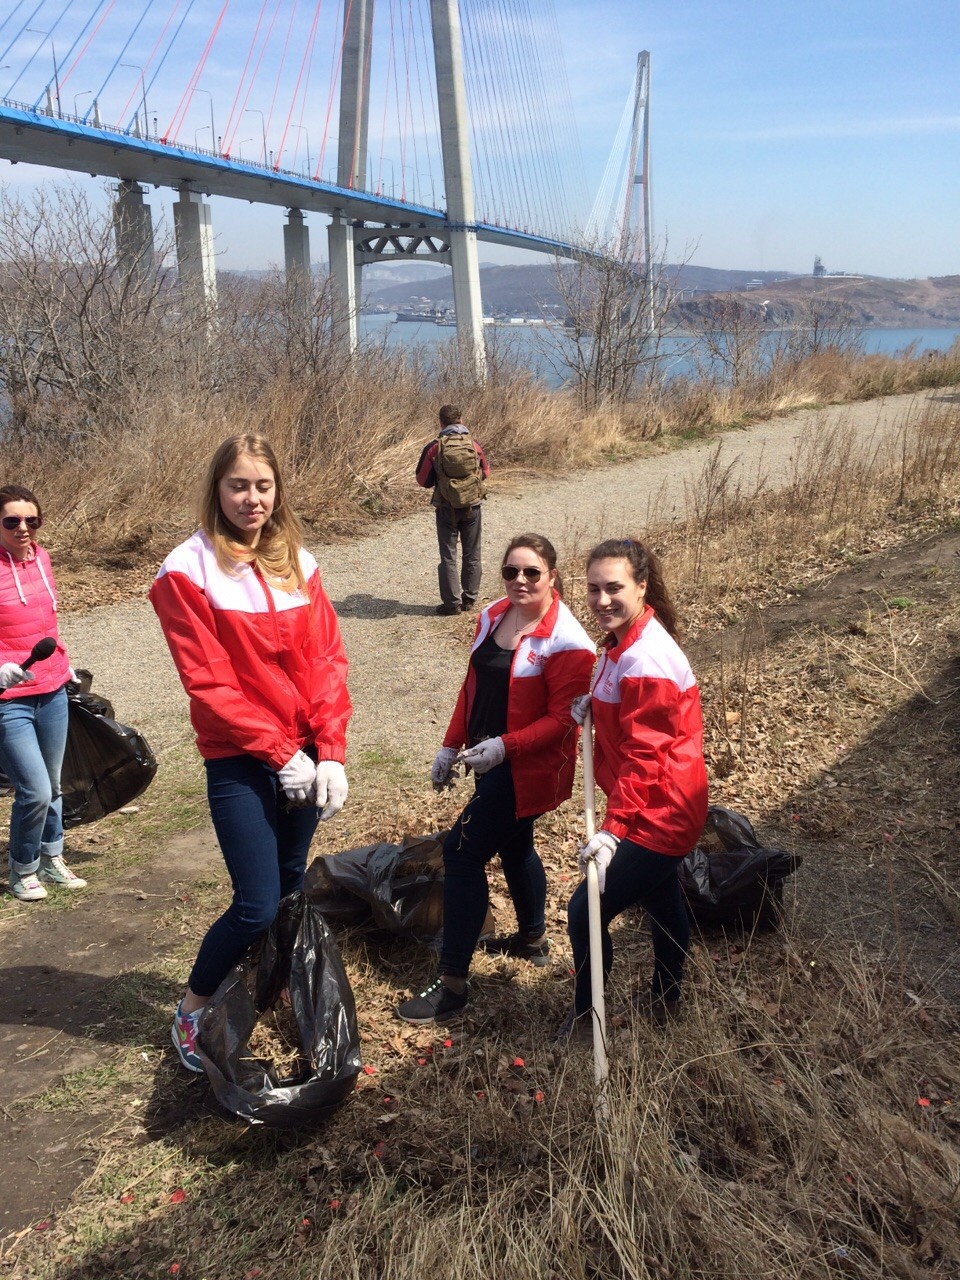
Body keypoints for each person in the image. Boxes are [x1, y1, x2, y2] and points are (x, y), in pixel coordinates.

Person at [149, 434, 352, 1072]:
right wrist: (275, 753)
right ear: (217, 489)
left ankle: (275, 981)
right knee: (257, 899)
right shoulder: (186, 569)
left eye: (264, 486)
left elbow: (326, 661)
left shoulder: (298, 560)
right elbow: (209, 683)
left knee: (292, 883)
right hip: (240, 755)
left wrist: (331, 751)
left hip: (307, 751)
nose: (252, 499)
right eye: (239, 485)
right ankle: (190, 1011)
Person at [396, 533, 595, 1024]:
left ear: (552, 575)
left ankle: (453, 987)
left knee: (462, 854)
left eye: (532, 572)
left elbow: (562, 721)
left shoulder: (568, 641)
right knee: (514, 844)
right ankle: (531, 939)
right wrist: (450, 742)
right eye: (511, 572)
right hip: (487, 757)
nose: (520, 581)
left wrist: (505, 747)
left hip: (528, 767)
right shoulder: (492, 615)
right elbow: (473, 685)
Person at [563, 537, 708, 1036]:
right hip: (656, 798)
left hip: (661, 809)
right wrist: (594, 712)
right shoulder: (622, 638)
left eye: (614, 588)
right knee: (662, 895)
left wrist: (614, 830)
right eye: (593, 589)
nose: (601, 600)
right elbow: (625, 713)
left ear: (642, 586)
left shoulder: (648, 657)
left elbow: (647, 757)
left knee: (585, 910)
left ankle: (589, 1017)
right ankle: (668, 998)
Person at [0, 484, 87, 902]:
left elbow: (47, 624)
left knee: (52, 785)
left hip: (52, 689)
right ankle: (22, 869)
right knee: (33, 788)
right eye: (12, 520)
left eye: (31, 521)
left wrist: (63, 663)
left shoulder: (43, 559)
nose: (22, 528)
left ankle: (52, 859)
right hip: (8, 700)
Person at [415, 403, 490, 616]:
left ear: (440, 422)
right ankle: (469, 599)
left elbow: (422, 480)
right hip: (472, 506)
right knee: (472, 552)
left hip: (446, 507)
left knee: (448, 555)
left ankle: (451, 604)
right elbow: (485, 472)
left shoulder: (434, 447)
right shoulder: (474, 445)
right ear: (461, 420)